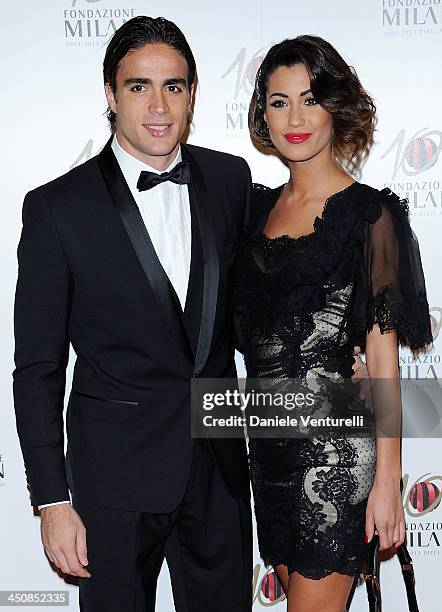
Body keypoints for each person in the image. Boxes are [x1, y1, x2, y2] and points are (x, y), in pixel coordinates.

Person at [13, 16, 253, 612]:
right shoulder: (56, 209)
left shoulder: (230, 179)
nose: (159, 105)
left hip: (219, 472)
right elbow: (37, 370)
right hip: (112, 486)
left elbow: (256, 297)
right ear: (110, 94)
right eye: (138, 85)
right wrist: (51, 500)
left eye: (174, 86)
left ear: (193, 93)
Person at [234, 35, 432, 611]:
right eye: (278, 101)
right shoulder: (251, 211)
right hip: (267, 457)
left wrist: (388, 481)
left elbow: (382, 356)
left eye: (310, 98)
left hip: (334, 460)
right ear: (261, 113)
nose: (295, 117)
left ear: (335, 106)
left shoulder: (371, 214)